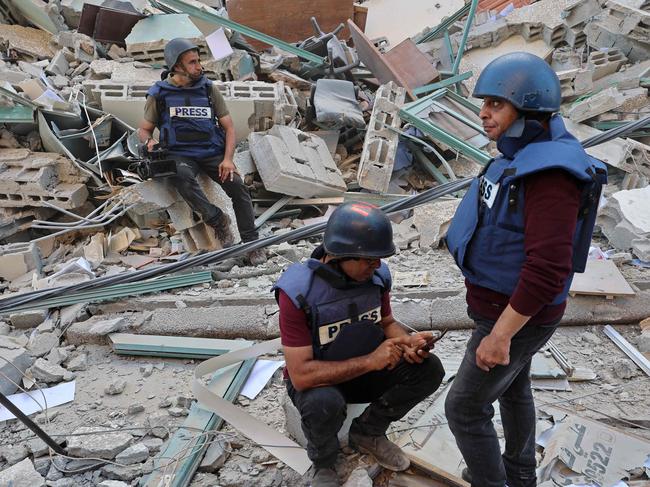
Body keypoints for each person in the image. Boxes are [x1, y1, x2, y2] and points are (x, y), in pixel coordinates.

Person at [444, 52, 607, 487]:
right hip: (504, 310)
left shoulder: (551, 174)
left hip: (512, 316)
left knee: (463, 408)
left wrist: (500, 335)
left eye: (496, 103)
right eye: (484, 103)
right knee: (514, 388)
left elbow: (549, 269)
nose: (483, 113)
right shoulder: (523, 157)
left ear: (529, 108)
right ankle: (518, 475)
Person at [273, 202, 445, 487]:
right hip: (319, 380)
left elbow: (387, 322)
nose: (377, 265)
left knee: (429, 370)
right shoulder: (298, 294)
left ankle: (368, 431)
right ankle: (325, 462)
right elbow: (301, 375)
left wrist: (407, 342)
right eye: (368, 259)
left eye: (379, 258)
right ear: (340, 255)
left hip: (365, 369)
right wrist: (371, 361)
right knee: (323, 403)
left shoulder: (376, 278)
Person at [138, 38, 266, 265]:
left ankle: (252, 244)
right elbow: (144, 130)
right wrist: (148, 143)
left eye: (198, 61)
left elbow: (229, 127)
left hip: (211, 152)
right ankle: (217, 220)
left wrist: (228, 159)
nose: (199, 66)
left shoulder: (208, 88)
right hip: (181, 154)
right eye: (192, 62)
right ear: (176, 66)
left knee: (238, 187)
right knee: (181, 177)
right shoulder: (159, 93)